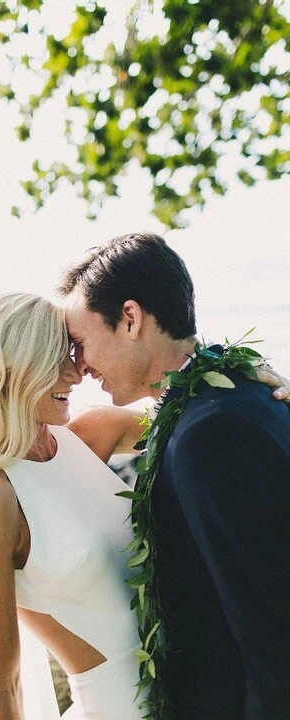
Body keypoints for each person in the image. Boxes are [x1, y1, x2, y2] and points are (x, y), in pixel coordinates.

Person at [0, 288, 289, 720]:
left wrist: (257, 382)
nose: (76, 373)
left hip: (192, 695)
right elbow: (1, 686)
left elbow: (201, 412)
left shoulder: (90, 435)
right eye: (57, 358)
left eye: (73, 353)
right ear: (11, 368)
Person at [58, 231, 290, 720]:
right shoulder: (222, 400)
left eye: (80, 343)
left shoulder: (213, 431)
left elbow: (273, 633)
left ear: (130, 318)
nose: (79, 366)